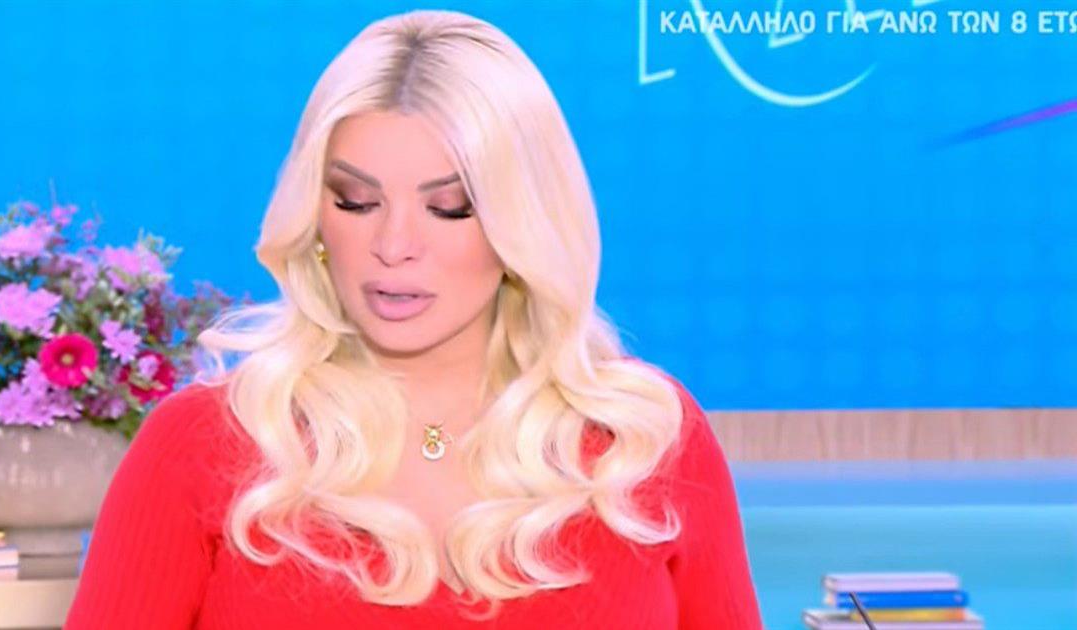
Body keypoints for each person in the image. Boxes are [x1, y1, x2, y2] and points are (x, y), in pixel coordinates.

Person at [65, 9, 762, 629]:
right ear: (314, 216)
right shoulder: (202, 447)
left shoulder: (644, 443)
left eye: (448, 208)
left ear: (520, 226)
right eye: (356, 201)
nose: (394, 245)